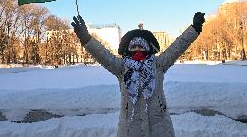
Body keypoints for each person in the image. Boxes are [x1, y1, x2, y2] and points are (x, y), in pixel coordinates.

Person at [71, 12, 205, 137]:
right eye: (133, 47)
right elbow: (103, 55)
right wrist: (86, 38)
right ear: (127, 49)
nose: (137, 50)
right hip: (130, 129)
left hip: (159, 127)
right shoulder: (122, 67)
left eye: (141, 46)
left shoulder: (158, 65)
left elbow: (177, 47)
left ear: (148, 48)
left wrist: (194, 29)